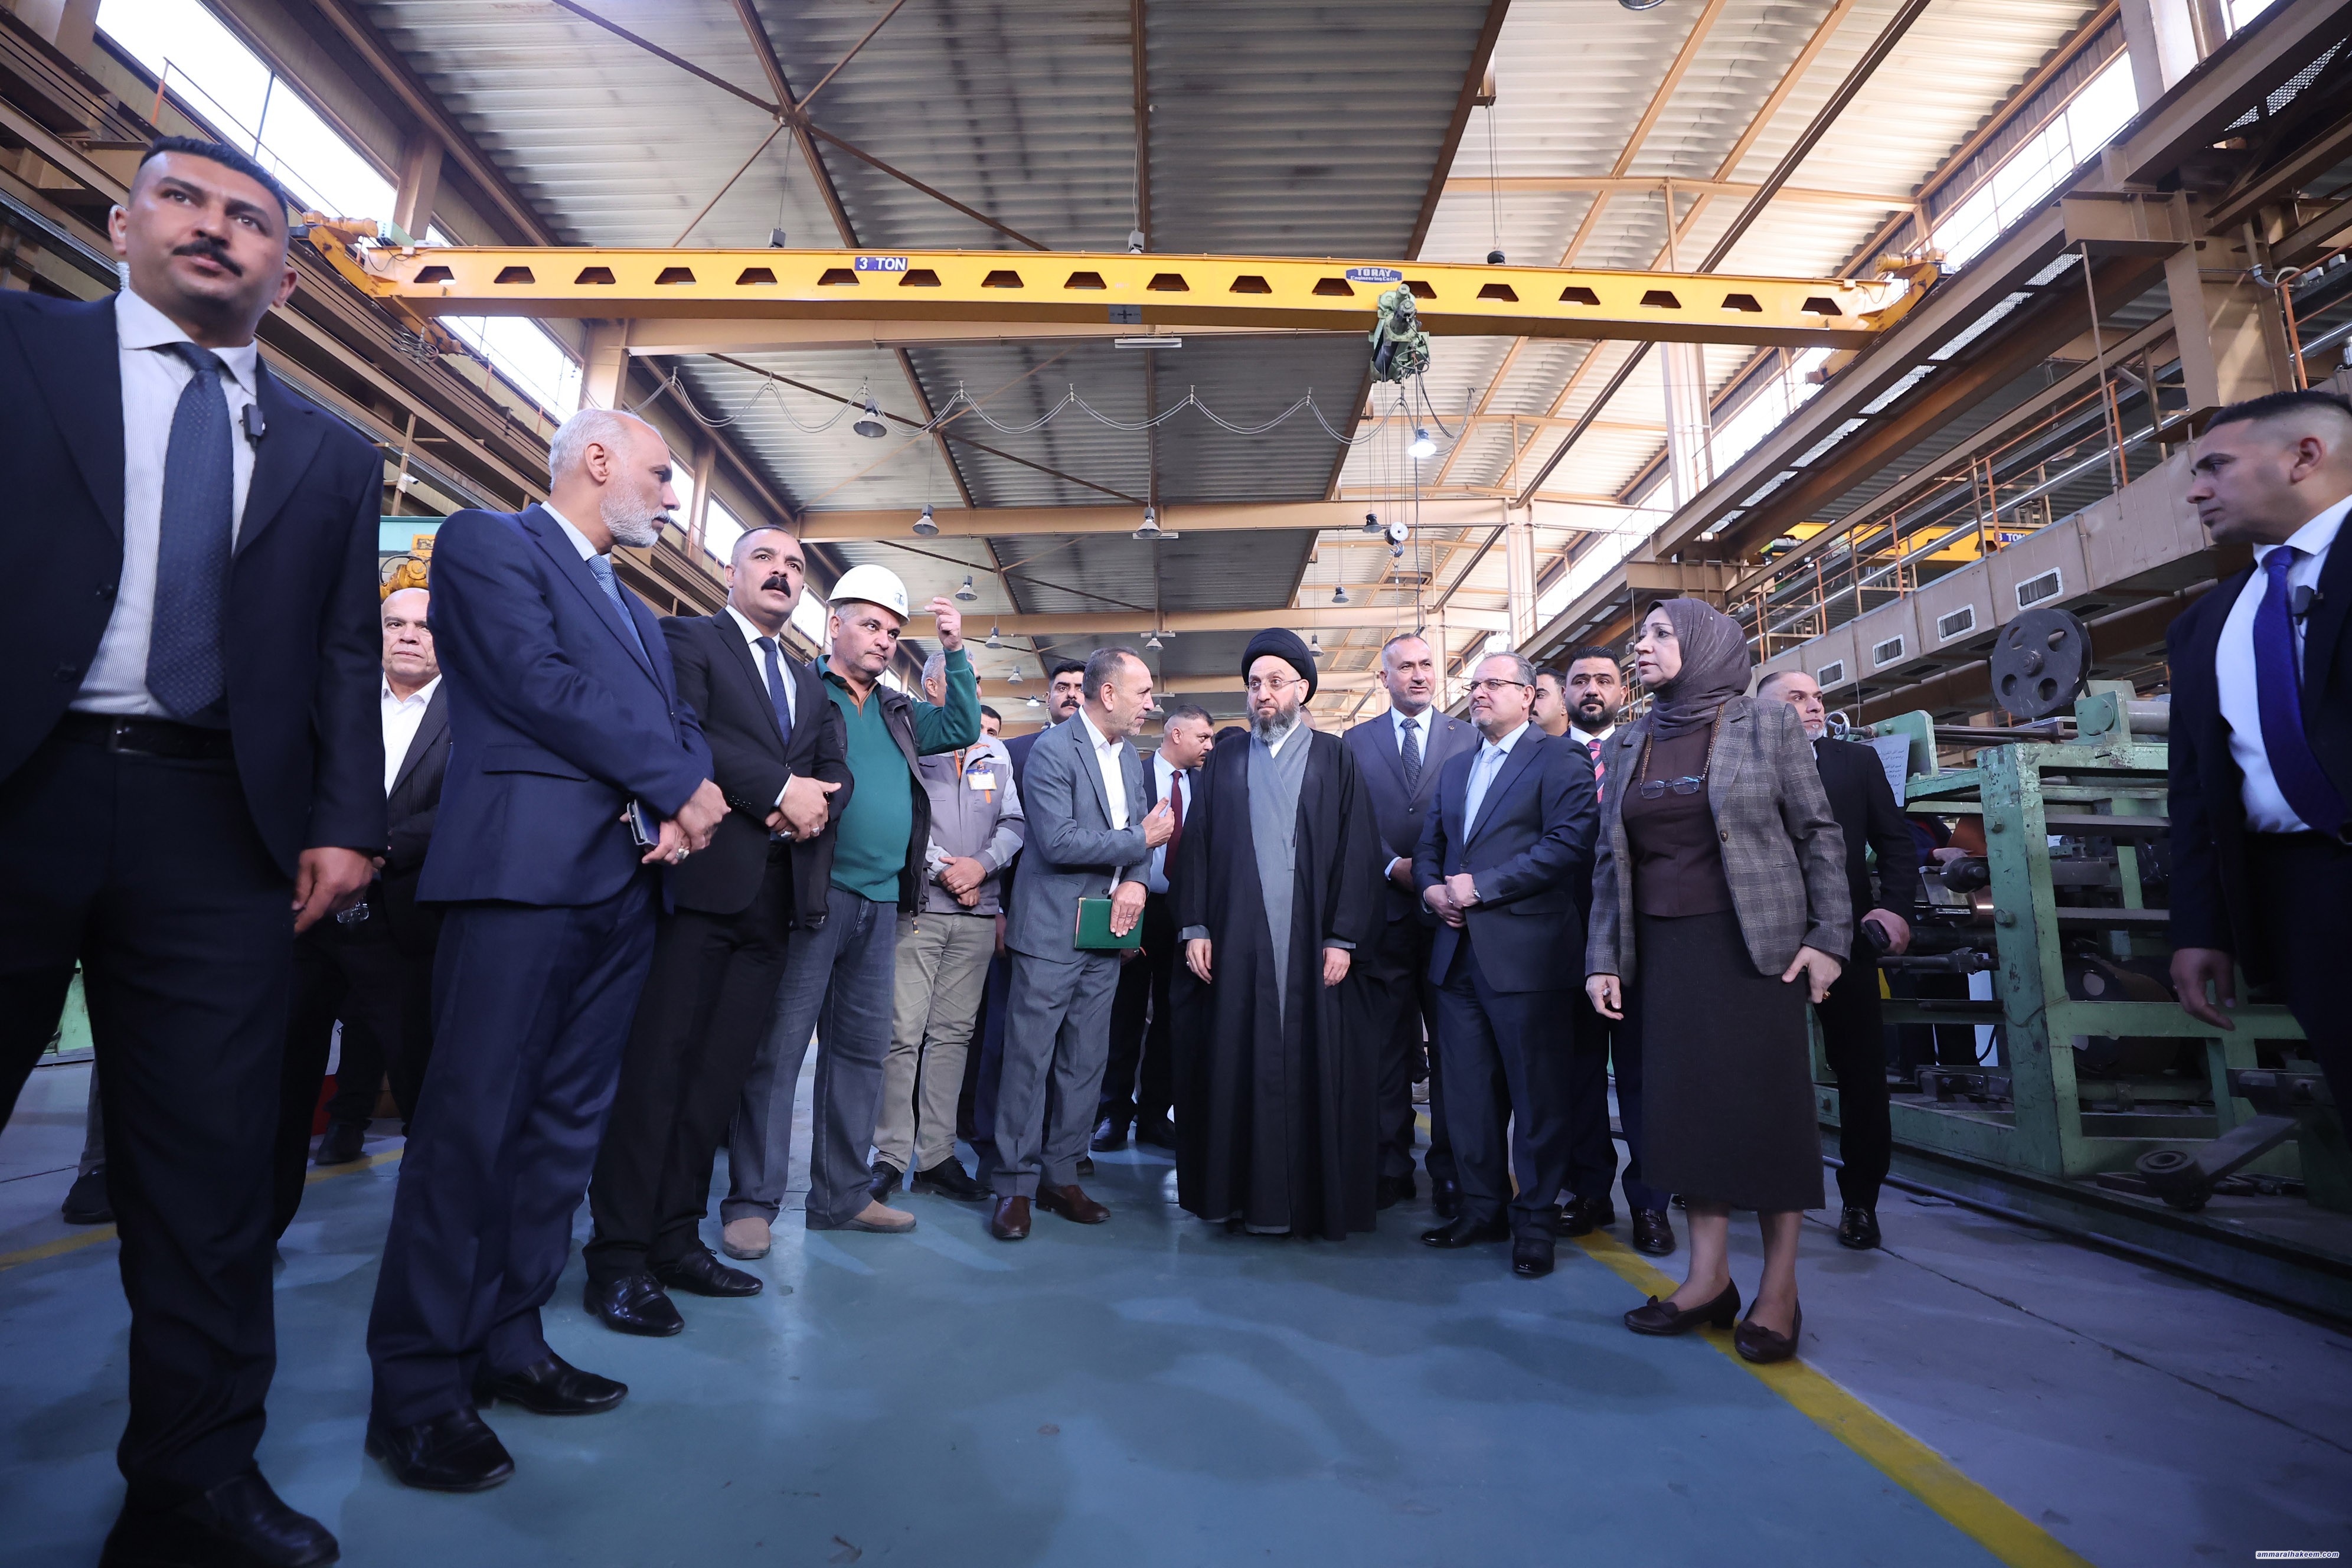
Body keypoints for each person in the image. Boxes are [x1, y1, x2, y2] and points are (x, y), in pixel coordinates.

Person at [1, 136, 382, 1567]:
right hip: (19, 781)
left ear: (286, 275)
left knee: (213, 1176)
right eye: (184, 198)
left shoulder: (333, 454)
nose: (216, 228)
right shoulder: (19, 350)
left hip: (217, 825)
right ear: (122, 223)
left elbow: (347, 652)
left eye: (252, 219)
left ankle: (194, 1484)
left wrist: (345, 818)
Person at [364, 406, 727, 1492]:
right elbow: (535, 682)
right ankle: (418, 1390)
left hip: (622, 886)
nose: (672, 497)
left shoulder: (634, 609)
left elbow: (683, 720)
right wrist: (677, 785)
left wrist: (681, 791)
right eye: (664, 473)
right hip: (520, 878)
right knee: (469, 1132)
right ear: (598, 460)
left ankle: (509, 1340)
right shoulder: (488, 543)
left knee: (563, 1133)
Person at [581, 524, 852, 1337]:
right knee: (657, 1074)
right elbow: (689, 732)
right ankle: (619, 1257)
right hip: (696, 892)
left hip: (772, 902)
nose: (782, 573)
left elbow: (834, 771)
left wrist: (810, 803)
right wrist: (776, 791)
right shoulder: (688, 642)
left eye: (795, 566)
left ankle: (676, 1239)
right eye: (765, 558)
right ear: (731, 571)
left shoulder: (807, 682)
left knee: (715, 1083)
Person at [1586, 598, 1847, 1366]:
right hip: (1663, 954)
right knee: (1686, 1117)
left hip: (1755, 949)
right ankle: (1708, 1279)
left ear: (1703, 646)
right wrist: (1603, 956)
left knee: (1768, 1118)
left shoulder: (1765, 725)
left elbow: (1819, 832)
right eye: (1642, 636)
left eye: (1660, 634)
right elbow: (1609, 860)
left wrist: (1830, 938)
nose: (1642, 646)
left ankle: (1779, 1290)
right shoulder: (1632, 738)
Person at [723, 565, 979, 1256]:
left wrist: (953, 650)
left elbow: (960, 723)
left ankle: (842, 1195)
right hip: (814, 894)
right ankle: (752, 1201)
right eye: (871, 624)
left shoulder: (899, 711)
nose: (883, 639)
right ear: (833, 623)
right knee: (779, 1052)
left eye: (893, 631)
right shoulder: (800, 689)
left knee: (862, 1054)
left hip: (883, 901)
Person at [2170, 389, 2351, 1125]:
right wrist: (2200, 928)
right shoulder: (2204, 625)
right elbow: (2196, 792)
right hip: (2302, 898)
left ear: (2304, 456)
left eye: (2215, 466)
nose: (2196, 490)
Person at [1173, 631, 1381, 1237]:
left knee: (1312, 1061)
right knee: (1236, 1057)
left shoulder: (1336, 758)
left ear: (1303, 689)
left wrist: (1342, 936)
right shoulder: (1226, 759)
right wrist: (1195, 925)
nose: (1262, 694)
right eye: (1254, 684)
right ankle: (1238, 1199)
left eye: (1275, 682)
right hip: (1235, 937)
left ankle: (1308, 1202)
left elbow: (1358, 851)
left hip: (1313, 943)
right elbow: (1198, 846)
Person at [273, 587, 452, 1237]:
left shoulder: (475, 713)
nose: (408, 635)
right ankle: (256, 1229)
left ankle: (429, 1238)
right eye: (394, 623)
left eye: (424, 626)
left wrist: (370, 848)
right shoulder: (335, 699)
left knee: (423, 1087)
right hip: (309, 918)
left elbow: (469, 805)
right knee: (280, 1082)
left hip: (406, 927)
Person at [1413, 651, 1599, 1278]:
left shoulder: (1560, 758)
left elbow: (1569, 843)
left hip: (1528, 957)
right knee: (1467, 1098)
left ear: (1529, 695)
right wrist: (1433, 890)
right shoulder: (1457, 768)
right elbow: (1431, 846)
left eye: (1494, 683)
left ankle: (1536, 1222)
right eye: (1474, 684)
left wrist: (1482, 888)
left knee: (1537, 1096)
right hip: (1456, 956)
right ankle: (1482, 1208)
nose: (1480, 693)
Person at [989, 647, 1172, 1239]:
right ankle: (1014, 1185)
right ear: (1109, 694)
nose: (1151, 704)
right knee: (1029, 1061)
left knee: (1084, 1062)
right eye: (1143, 693)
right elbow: (1059, 840)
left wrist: (1137, 884)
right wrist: (1139, 841)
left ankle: (1061, 1176)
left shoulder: (1130, 760)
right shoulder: (1053, 750)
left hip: (1105, 933)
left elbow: (1142, 841)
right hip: (1049, 931)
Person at [1756, 669, 1921, 1250]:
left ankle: (1860, 1201)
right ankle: (1742, 1180)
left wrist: (1894, 908)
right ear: (1762, 711)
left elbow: (1896, 842)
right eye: (1796, 697)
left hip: (1842, 937)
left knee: (1860, 1071)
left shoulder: (1856, 763)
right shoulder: (1740, 763)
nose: (1814, 707)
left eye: (1818, 697)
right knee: (1754, 1069)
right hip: (1763, 940)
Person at [870, 651, 1024, 1203]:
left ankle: (936, 1157)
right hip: (921, 910)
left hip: (978, 914)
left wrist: (981, 867)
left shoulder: (995, 751)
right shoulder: (911, 741)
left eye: (976, 680)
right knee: (902, 1035)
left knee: (954, 1035)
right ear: (933, 686)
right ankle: (890, 1155)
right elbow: (903, 814)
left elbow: (1014, 822)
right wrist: (946, 870)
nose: (972, 689)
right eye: (961, 681)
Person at [1342, 633, 1477, 1213]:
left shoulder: (1469, 737)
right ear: (1385, 678)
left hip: (1453, 917)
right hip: (1382, 915)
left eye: (1426, 665)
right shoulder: (1354, 743)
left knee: (1455, 1049)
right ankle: (1388, 1164)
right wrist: (1389, 864)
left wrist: (1444, 878)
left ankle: (1451, 1170)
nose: (1418, 675)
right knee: (1386, 1048)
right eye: (1405, 667)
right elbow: (1346, 820)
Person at [1558, 645, 1667, 1253]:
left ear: (1623, 691)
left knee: (1643, 1077)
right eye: (1580, 681)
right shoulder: (1544, 758)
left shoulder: (1650, 750)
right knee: (1576, 1077)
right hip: (1566, 938)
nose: (1591, 689)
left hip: (1639, 939)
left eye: (1603, 679)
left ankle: (1650, 1202)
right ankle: (1589, 1191)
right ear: (1564, 693)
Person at [970, 658, 1087, 1178]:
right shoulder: (1013, 753)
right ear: (1048, 696)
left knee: (1073, 1046)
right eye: (1062, 687)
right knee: (1005, 1038)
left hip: (1084, 925)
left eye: (1080, 687)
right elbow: (994, 829)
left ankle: (1061, 1149)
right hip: (1020, 918)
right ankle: (994, 1146)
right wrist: (997, 907)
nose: (1071, 694)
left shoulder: (1113, 761)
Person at [1095, 703, 1214, 1152]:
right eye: (1203, 737)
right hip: (1135, 907)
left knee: (1171, 1015)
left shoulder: (1208, 784)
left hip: (1184, 915)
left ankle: (1154, 1115)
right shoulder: (1133, 776)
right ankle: (1113, 1112)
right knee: (1123, 1013)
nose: (1209, 746)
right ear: (1176, 734)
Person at [1531, 665, 1572, 737]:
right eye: (1526, 696)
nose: (1529, 703)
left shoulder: (1586, 743)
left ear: (1565, 704)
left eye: (1539, 696)